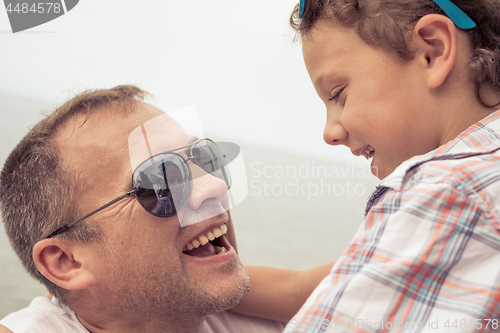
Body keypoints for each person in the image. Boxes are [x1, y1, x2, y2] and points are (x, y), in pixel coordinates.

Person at [235, 0, 500, 331]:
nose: (330, 133)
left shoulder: (446, 195)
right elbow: (298, 289)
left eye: (339, 94)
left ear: (432, 52)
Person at [0, 85, 294, 333]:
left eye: (204, 159)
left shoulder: (276, 316)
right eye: (161, 180)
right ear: (66, 262)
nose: (215, 187)